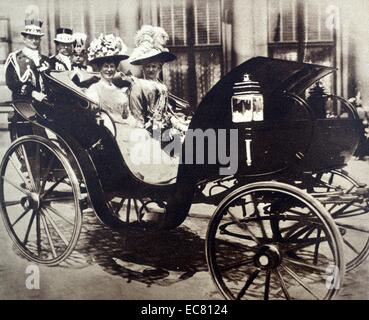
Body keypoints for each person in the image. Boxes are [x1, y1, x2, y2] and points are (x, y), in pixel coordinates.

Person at [128, 25, 189, 148]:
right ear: (143, 67)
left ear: (159, 67)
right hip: (150, 133)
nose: (150, 69)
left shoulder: (162, 86)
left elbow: (167, 113)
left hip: (165, 130)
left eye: (154, 66)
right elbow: (137, 115)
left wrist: (180, 125)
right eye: (147, 66)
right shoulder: (138, 85)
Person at [5, 5, 49, 102]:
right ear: (24, 39)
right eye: (30, 37)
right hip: (24, 105)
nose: (34, 41)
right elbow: (11, 83)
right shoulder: (15, 58)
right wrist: (33, 93)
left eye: (37, 38)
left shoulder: (46, 60)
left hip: (45, 105)